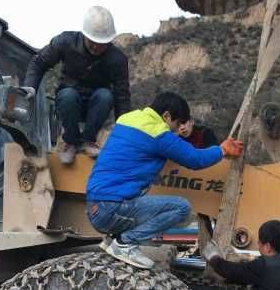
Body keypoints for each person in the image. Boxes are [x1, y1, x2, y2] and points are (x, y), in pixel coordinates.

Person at [86, 91, 243, 269]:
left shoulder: (127, 119)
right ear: (166, 116)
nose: (175, 131)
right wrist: (222, 150)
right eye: (175, 125)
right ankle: (125, 243)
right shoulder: (158, 133)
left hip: (95, 206)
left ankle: (114, 239)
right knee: (181, 208)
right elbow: (195, 159)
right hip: (112, 209)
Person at [24, 6, 131, 165]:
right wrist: (30, 87)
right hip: (68, 102)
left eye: (101, 44)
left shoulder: (117, 59)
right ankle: (70, 142)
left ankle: (89, 140)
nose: (96, 47)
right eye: (92, 42)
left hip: (96, 106)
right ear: (83, 35)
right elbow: (39, 62)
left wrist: (124, 130)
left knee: (105, 95)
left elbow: (122, 96)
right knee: (68, 95)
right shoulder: (65, 42)